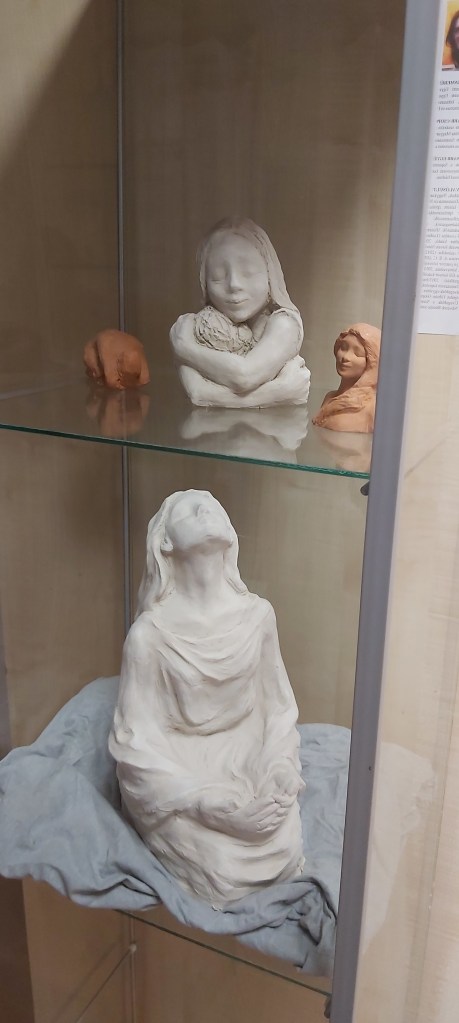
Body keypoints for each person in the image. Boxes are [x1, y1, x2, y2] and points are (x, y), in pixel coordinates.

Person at [109, 490, 305, 906]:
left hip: (246, 751)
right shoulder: (149, 636)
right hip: (180, 770)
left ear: (230, 534)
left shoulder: (258, 616)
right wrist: (202, 801)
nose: (204, 508)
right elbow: (135, 742)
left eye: (215, 506)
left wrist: (279, 767)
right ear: (164, 543)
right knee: (223, 868)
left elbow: (277, 710)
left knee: (281, 841)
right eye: (188, 509)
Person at [170, 217, 310, 407]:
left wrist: (185, 349)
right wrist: (276, 393)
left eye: (248, 273)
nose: (234, 285)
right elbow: (197, 394)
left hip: (270, 426)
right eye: (218, 276)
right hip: (211, 426)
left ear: (270, 275)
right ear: (204, 283)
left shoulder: (285, 323)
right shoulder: (196, 326)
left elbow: (244, 376)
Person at [313, 323, 381, 434]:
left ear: (372, 363)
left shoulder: (372, 408)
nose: (345, 357)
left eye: (357, 353)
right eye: (343, 348)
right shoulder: (329, 397)